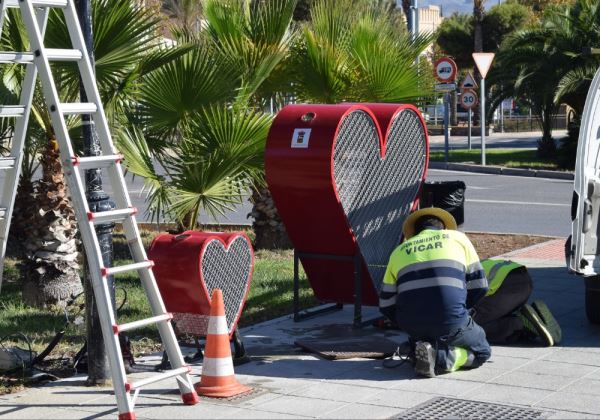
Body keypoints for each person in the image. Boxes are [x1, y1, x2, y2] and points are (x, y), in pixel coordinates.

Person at [379, 207, 491, 377]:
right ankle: (440, 357)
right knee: (482, 352)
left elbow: (386, 304)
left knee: (428, 333)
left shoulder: (399, 251)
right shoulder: (457, 239)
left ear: (414, 233)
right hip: (451, 322)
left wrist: (410, 326)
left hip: (412, 325)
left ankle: (420, 348)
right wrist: (458, 311)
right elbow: (480, 286)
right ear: (444, 228)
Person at [473, 259, 561, 346]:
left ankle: (520, 323)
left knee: (471, 327)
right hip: (524, 279)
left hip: (506, 287)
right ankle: (536, 317)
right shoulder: (469, 264)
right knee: (488, 312)